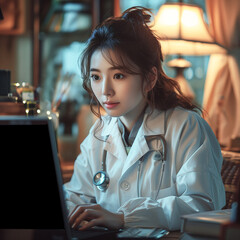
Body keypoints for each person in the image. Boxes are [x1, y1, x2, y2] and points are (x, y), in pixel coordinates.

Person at [64, 7, 225, 231]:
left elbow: (202, 205)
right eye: (96, 77)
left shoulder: (186, 127)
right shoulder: (99, 133)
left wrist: (123, 218)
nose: (105, 91)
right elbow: (76, 195)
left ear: (150, 79)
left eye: (118, 76)